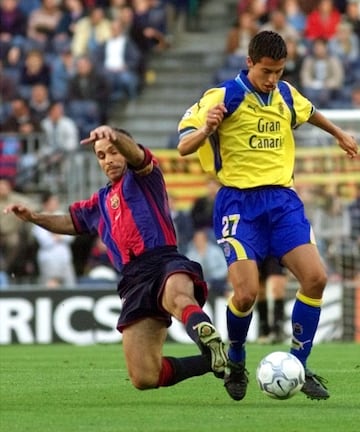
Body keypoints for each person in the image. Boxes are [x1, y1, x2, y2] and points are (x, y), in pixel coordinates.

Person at [177, 30, 358, 402]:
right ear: (249, 63)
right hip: (239, 205)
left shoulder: (286, 95)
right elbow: (183, 146)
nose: (272, 79)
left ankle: (298, 364)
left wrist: (340, 133)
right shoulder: (223, 96)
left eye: (278, 71)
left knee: (316, 278)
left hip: (282, 201)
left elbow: (310, 113)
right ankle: (238, 361)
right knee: (245, 294)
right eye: (266, 71)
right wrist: (208, 128)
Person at [3, 125, 227, 390]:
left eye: (113, 151)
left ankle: (205, 334)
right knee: (144, 377)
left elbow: (136, 154)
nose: (109, 159)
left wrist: (115, 137)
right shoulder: (100, 202)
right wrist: (34, 217)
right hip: (133, 280)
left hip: (163, 260)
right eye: (101, 155)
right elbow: (70, 221)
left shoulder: (145, 176)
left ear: (125, 149)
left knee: (178, 298)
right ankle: (216, 360)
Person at [257, 257, 287, 344]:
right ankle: (264, 330)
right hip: (257, 247)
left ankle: (277, 330)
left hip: (275, 249)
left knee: (277, 288)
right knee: (260, 290)